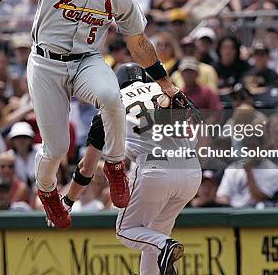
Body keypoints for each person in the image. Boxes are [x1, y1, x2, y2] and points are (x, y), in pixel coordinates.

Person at [0, 0, 185, 229]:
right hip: (46, 62)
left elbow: (138, 42)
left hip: (86, 60)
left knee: (112, 96)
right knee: (56, 148)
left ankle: (114, 164)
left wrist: (164, 82)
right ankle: (47, 193)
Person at [61, 63, 202, 275]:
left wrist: (69, 200)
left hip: (154, 169)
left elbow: (86, 168)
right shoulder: (167, 90)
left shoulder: (112, 103)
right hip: (191, 170)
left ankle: (165, 246)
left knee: (126, 230)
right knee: (154, 235)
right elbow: (199, 124)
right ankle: (162, 249)